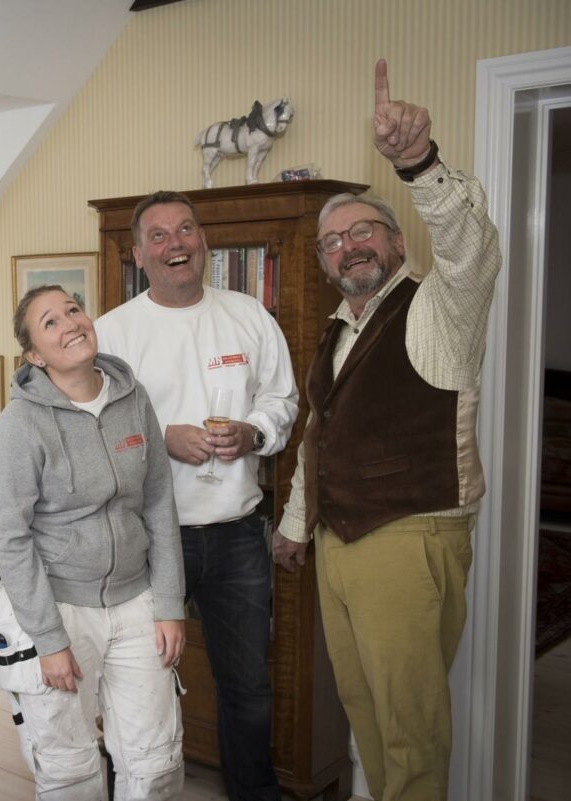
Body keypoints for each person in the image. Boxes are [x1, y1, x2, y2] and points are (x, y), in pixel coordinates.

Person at [271, 60, 502, 801]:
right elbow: (319, 434)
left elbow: (471, 248)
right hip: (339, 546)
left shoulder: (440, 309)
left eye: (363, 230)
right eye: (331, 241)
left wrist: (417, 162)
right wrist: (296, 525)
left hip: (409, 539)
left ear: (400, 244)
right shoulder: (338, 330)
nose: (348, 247)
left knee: (412, 728)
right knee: (364, 711)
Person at [95, 189, 298, 799]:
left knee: (247, 687)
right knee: (134, 685)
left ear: (203, 240)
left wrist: (253, 432)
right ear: (137, 253)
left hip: (237, 534)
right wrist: (162, 439)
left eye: (185, 230)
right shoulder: (111, 332)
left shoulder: (248, 316)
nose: (174, 244)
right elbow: (92, 429)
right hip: (146, 539)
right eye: (158, 236)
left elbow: (280, 400)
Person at [0, 285, 187, 800]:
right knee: (68, 770)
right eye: (49, 322)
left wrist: (169, 604)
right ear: (33, 354)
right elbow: (10, 537)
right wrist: (49, 640)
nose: (70, 323)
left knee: (155, 762)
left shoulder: (132, 397)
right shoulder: (21, 423)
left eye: (73, 310)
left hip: (137, 603)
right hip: (59, 610)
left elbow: (159, 502)